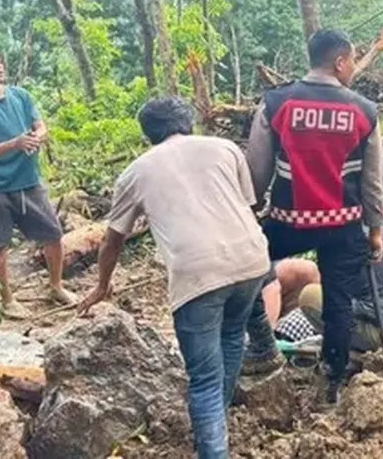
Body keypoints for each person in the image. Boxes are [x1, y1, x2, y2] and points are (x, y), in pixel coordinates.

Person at [78, 97, 272, 459]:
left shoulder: (136, 172)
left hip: (197, 274)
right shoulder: (225, 148)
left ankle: (213, 446)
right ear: (189, 122)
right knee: (232, 338)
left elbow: (112, 241)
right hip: (250, 259)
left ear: (148, 134)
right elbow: (249, 204)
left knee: (204, 378)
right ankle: (215, 428)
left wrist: (103, 285)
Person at [245, 29, 383, 404]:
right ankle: (332, 380)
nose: (353, 67)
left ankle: (258, 345)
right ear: (339, 62)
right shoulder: (364, 111)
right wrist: (375, 229)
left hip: (287, 222)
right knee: (339, 302)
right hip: (343, 224)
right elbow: (373, 181)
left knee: (248, 272)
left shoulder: (276, 103)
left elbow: (256, 172)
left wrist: (250, 213)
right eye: (352, 60)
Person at [0, 48, 75, 318]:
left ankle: (56, 286)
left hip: (29, 181)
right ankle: (7, 300)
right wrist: (15, 143)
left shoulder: (21, 96)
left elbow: (41, 127)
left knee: (53, 235)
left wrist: (37, 137)